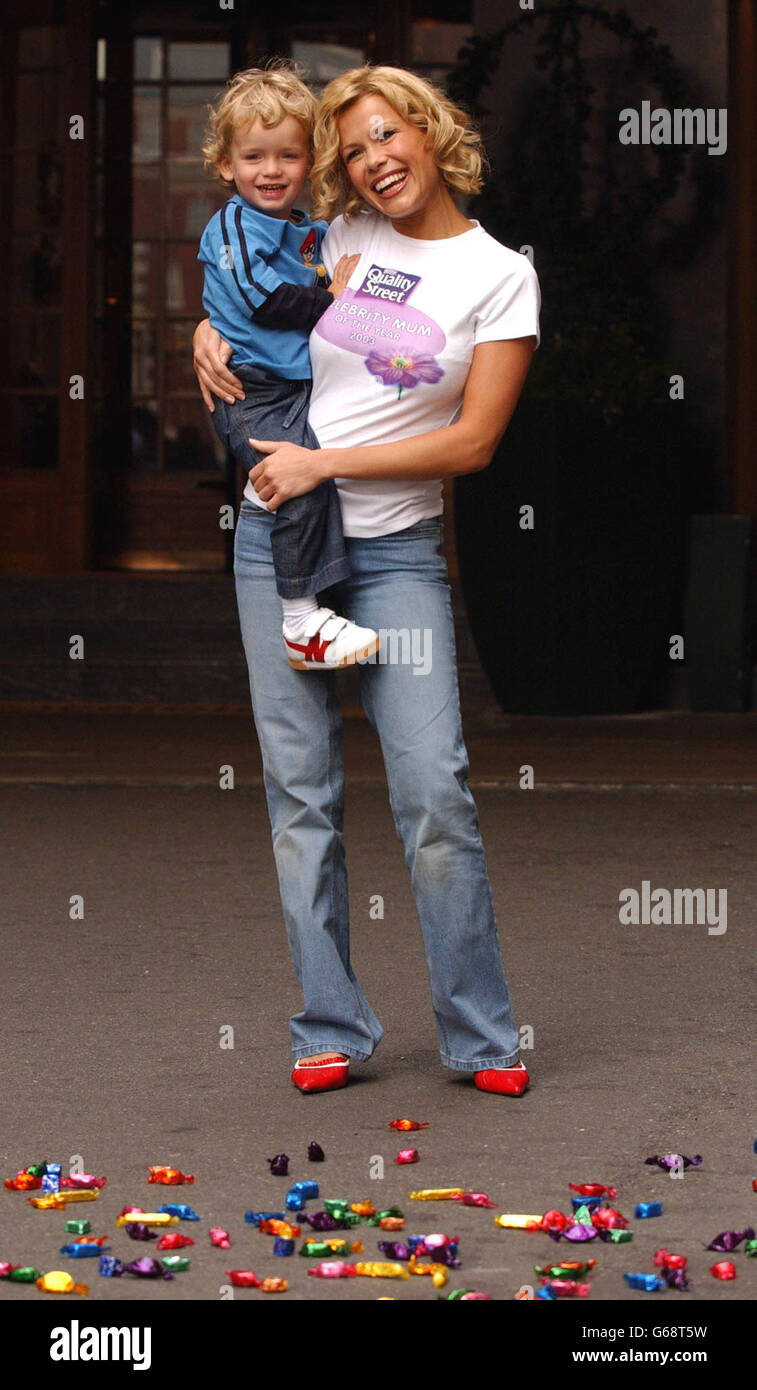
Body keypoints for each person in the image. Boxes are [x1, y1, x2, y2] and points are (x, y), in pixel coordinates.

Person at [193, 64, 541, 1097]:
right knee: (303, 796)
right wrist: (202, 341)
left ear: (431, 135)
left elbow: (472, 443)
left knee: (433, 790)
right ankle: (327, 1027)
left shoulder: (498, 275)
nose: (372, 159)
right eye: (351, 149)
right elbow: (247, 318)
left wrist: (324, 464)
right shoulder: (327, 241)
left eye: (387, 134)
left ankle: (480, 1036)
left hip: (391, 557)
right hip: (274, 543)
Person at [198, 63, 379, 670]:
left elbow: (325, 261)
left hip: (294, 388)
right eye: (254, 157)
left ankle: (314, 607)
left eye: (288, 157)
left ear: (310, 163)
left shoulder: (306, 230)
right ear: (226, 165)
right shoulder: (234, 225)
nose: (271, 171)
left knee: (314, 476)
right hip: (252, 389)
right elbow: (263, 297)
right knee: (297, 484)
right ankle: (301, 621)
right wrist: (335, 296)